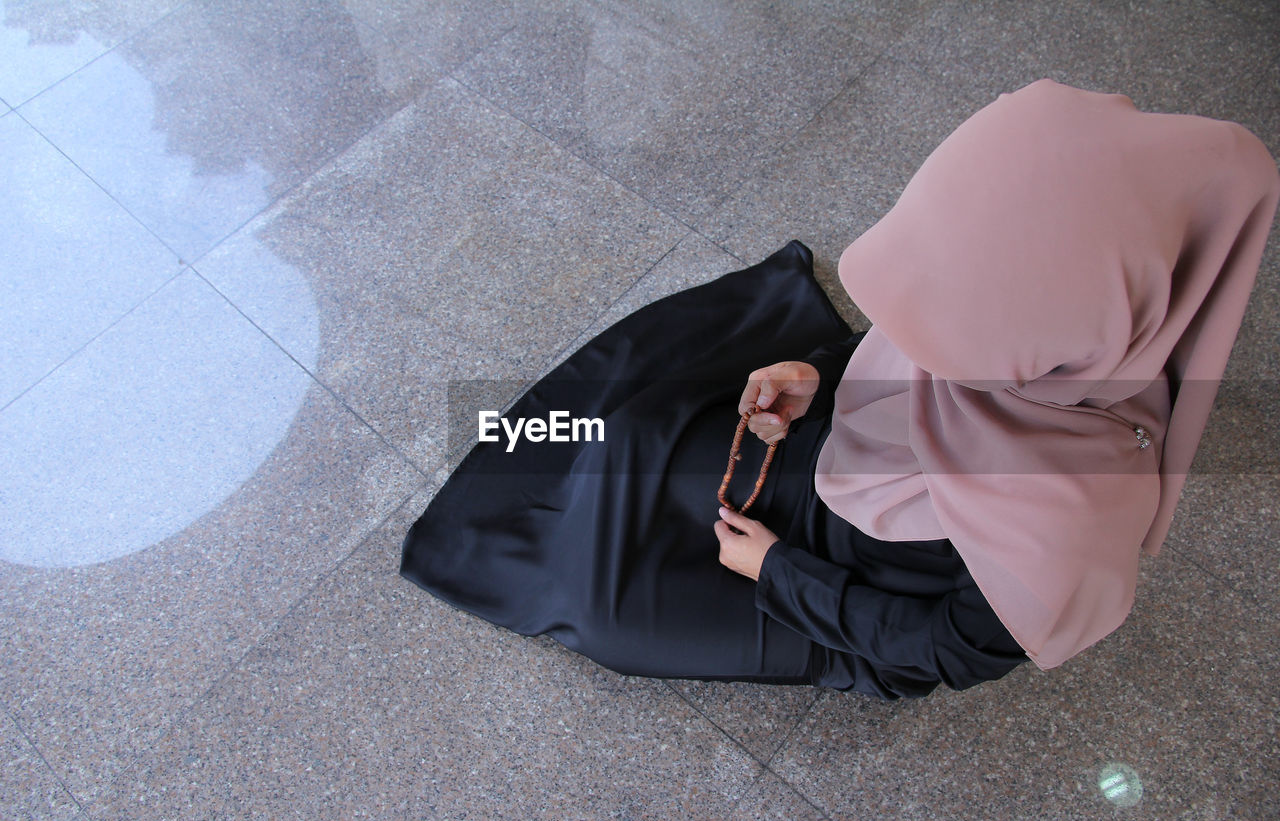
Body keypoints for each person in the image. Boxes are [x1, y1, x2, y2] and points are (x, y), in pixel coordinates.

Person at [402, 80, 1279, 699]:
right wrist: (828, 376)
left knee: (610, 619)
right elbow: (919, 358)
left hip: (858, 605)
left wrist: (778, 569)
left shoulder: (1072, 523)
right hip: (834, 466)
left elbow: (942, 646)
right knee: (632, 432)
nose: (920, 338)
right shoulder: (1031, 326)